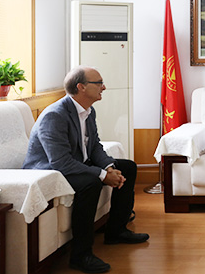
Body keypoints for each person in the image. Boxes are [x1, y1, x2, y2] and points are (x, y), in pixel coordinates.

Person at [23, 66, 148, 273]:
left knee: (127, 167)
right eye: (98, 83)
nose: (103, 87)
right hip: (50, 172)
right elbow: (60, 162)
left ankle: (116, 231)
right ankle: (81, 256)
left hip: (73, 164)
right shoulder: (54, 115)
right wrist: (102, 175)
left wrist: (109, 167)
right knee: (91, 183)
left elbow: (95, 146)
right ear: (81, 87)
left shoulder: (88, 111)